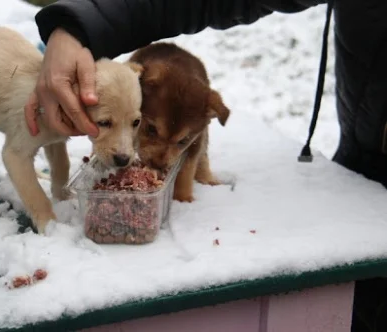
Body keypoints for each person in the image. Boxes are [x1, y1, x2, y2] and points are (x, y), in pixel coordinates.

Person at [25, 1, 387, 331]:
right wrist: (81, 24)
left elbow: (191, 145)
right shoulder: (145, 84)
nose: (163, 156)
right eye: (149, 129)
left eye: (178, 142)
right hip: (366, 159)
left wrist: (187, 186)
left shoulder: (195, 120)